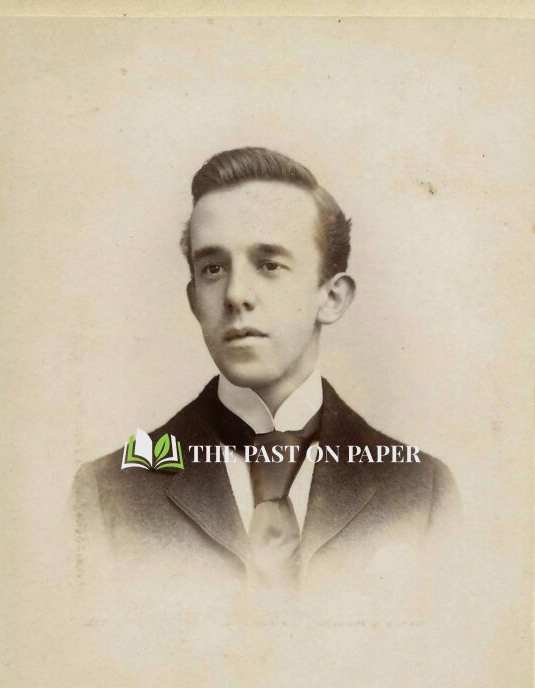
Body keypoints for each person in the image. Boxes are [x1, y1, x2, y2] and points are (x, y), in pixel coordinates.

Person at [74, 147, 458, 597]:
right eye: (213, 268)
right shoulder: (108, 494)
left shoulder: (421, 490)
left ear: (331, 298)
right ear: (194, 299)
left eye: (269, 264)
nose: (236, 294)